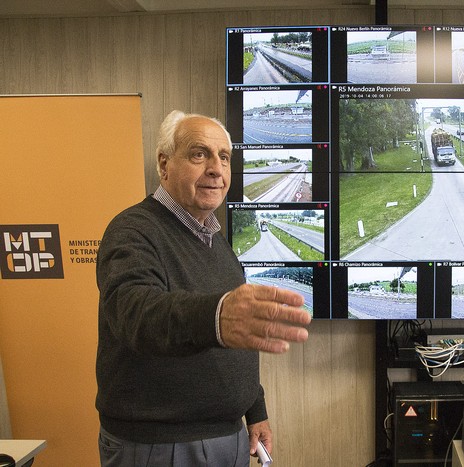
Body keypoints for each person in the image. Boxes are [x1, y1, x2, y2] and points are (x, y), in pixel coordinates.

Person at [95, 110, 311, 466]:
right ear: (164, 165)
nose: (216, 169)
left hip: (230, 435)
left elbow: (235, 343)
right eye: (200, 154)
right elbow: (134, 312)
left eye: (224, 158)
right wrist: (215, 315)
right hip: (161, 445)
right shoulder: (133, 230)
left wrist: (254, 409)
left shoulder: (215, 240)